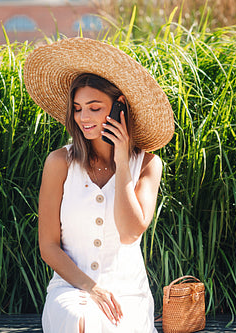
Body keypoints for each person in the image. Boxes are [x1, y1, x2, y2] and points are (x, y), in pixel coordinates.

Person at [23, 37, 174, 333]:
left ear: (120, 108)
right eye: (78, 108)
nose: (83, 117)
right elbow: (48, 247)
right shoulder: (59, 163)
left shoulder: (147, 165)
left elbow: (130, 233)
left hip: (127, 292)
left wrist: (121, 161)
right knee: (81, 320)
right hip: (71, 287)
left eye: (94, 107)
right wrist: (91, 288)